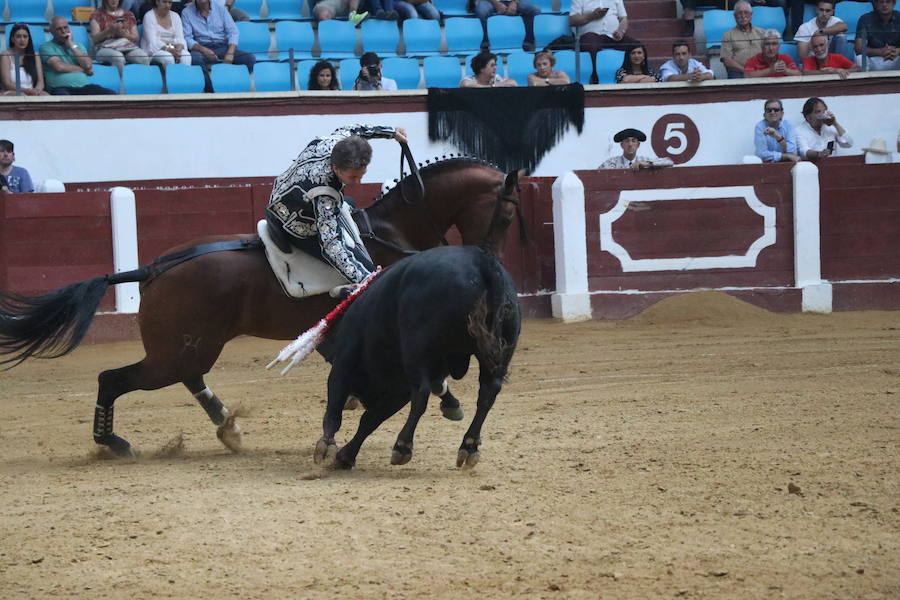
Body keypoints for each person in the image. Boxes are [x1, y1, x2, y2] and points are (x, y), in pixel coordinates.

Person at [265, 125, 407, 286]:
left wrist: (392, 133)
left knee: (349, 203)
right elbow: (330, 244)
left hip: (282, 193)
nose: (358, 182)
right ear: (336, 169)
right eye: (353, 177)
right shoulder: (325, 194)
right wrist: (367, 281)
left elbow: (357, 129)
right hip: (294, 222)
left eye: (361, 175)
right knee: (367, 270)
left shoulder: (336, 142)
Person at [181, 0, 256, 91]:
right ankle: (210, 91)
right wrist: (205, 50)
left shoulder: (220, 9)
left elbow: (233, 32)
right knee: (194, 59)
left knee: (249, 58)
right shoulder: (187, 12)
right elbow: (187, 38)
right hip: (200, 48)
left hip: (222, 46)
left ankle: (228, 83)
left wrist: (230, 53)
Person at [40, 17, 118, 95]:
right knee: (64, 99)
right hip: (61, 88)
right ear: (52, 32)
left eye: (65, 27)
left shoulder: (78, 46)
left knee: (112, 95)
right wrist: (83, 70)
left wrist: (72, 45)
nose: (63, 31)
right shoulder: (46, 47)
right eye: (59, 29)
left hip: (85, 87)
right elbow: (59, 67)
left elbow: (87, 65)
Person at [569, 0, 640, 83]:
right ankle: (595, 77)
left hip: (613, 36)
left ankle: (631, 76)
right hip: (592, 36)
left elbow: (623, 18)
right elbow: (572, 20)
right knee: (590, 44)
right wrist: (592, 16)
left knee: (635, 45)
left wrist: (621, 31)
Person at [89, 0, 150, 70]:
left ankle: (142, 80)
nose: (114, 0)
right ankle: (120, 80)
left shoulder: (129, 15)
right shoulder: (97, 15)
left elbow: (136, 38)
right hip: (104, 47)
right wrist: (109, 30)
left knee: (143, 57)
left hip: (126, 46)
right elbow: (95, 39)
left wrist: (123, 34)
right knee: (118, 58)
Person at [471, 0, 541, 52]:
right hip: (488, 1)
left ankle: (528, 42)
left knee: (535, 10)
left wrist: (514, 3)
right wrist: (496, 3)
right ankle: (486, 43)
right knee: (481, 11)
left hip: (511, 1)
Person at [720, 1, 765, 79]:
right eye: (739, 13)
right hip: (739, 72)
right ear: (734, 16)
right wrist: (746, 71)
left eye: (746, 12)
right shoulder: (728, 35)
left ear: (751, 15)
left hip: (760, 69)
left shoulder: (762, 33)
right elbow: (727, 60)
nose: (743, 16)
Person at [1, 23, 48, 96]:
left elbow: (40, 81)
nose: (22, 39)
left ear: (28, 39)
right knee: (22, 95)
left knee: (45, 95)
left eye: (25, 36)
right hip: (12, 91)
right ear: (12, 39)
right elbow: (7, 83)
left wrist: (36, 91)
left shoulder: (35, 55)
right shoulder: (6, 55)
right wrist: (26, 91)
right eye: (18, 36)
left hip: (31, 91)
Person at [142, 0, 192, 66]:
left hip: (174, 48)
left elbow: (180, 37)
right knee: (168, 58)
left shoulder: (175, 16)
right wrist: (170, 49)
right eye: (164, 2)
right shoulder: (149, 16)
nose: (167, 5)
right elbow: (153, 43)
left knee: (186, 56)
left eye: (170, 3)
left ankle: (184, 76)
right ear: (157, 2)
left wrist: (179, 48)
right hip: (155, 51)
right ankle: (170, 76)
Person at [855, 0, 900, 71]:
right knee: (860, 58)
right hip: (874, 58)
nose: (884, 5)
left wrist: (898, 51)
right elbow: (858, 48)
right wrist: (880, 51)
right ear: (876, 4)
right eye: (881, 2)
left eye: (888, 2)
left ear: (894, 4)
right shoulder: (865, 19)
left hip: (895, 58)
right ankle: (865, 81)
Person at [598, 128, 673, 170]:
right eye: (627, 141)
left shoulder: (644, 160)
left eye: (633, 141)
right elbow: (596, 174)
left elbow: (669, 162)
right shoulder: (612, 163)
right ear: (622, 145)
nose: (630, 144)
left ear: (638, 145)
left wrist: (647, 164)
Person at [754, 99, 800, 163]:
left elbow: (792, 151)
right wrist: (786, 156)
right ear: (764, 115)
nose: (772, 112)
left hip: (787, 164)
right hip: (767, 165)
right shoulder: (760, 127)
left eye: (776, 110)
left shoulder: (789, 125)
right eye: (769, 110)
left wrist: (777, 136)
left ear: (782, 114)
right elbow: (761, 154)